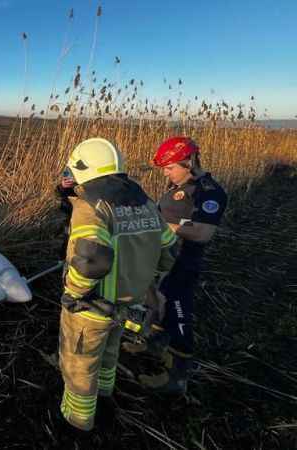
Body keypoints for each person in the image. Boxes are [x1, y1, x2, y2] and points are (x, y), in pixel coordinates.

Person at [57, 138, 177, 431]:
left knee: (79, 366)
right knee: (109, 353)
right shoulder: (145, 202)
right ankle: (106, 395)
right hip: (126, 304)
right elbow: (169, 252)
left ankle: (78, 421)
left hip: (91, 306)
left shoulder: (91, 207)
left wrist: (73, 292)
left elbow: (91, 260)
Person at [131, 137, 228, 394]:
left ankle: (177, 376)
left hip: (182, 262)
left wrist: (160, 226)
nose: (166, 173)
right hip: (162, 258)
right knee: (155, 301)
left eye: (171, 167)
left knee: (178, 312)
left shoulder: (209, 192)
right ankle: (153, 343)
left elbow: (204, 232)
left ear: (190, 162)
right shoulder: (179, 184)